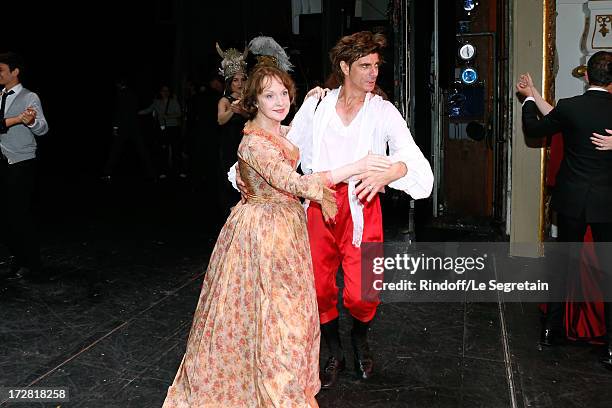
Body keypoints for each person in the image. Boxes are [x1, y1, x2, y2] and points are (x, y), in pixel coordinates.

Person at [162, 63, 391, 407]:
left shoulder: (276, 130)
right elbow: (297, 183)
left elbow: (297, 132)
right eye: (269, 95)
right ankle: (272, 384)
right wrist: (356, 166)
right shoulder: (254, 145)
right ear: (254, 100)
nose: (280, 100)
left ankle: (281, 376)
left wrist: (316, 101)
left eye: (284, 92)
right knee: (272, 315)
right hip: (261, 234)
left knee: (288, 312)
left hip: (286, 228)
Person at [232, 31, 434, 388]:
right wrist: (245, 173)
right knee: (320, 288)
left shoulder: (383, 111)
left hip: (362, 206)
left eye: (376, 66)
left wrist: (393, 170)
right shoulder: (318, 104)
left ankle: (360, 339)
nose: (373, 73)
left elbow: (415, 165)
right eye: (364, 66)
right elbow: (284, 147)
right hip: (316, 203)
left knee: (363, 291)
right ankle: (334, 350)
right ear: (344, 67)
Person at [518, 50, 612, 369]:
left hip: (571, 199)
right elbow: (557, 114)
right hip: (606, 203)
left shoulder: (572, 107)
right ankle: (611, 347)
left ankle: (550, 330)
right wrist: (536, 94)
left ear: (587, 77)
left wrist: (528, 102)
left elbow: (539, 127)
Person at [0, 52, 49, 282]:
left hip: (21, 162)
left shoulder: (30, 97)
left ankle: (32, 264)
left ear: (15, 71)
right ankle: (19, 258)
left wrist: (32, 122)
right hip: (2, 161)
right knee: (5, 217)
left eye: (1, 70)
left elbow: (43, 129)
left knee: (19, 215)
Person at [216, 43, 250, 212]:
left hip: (246, 144)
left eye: (242, 79)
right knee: (230, 178)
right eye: (235, 80)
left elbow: (255, 118)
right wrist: (232, 109)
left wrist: (243, 111)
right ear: (230, 82)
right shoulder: (224, 100)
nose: (239, 83)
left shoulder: (250, 99)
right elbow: (220, 120)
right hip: (229, 144)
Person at [102, 78, 156, 182]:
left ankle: (107, 173)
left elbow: (119, 112)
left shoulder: (120, 94)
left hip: (123, 127)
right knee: (142, 150)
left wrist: (115, 127)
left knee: (115, 150)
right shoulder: (133, 94)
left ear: (118, 85)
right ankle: (152, 174)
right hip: (134, 126)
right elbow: (135, 109)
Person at [139, 84, 184, 179]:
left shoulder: (173, 101)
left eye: (167, 90)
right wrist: (136, 112)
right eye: (163, 90)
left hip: (173, 127)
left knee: (176, 150)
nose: (165, 92)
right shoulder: (156, 102)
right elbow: (148, 110)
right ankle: (163, 171)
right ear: (160, 92)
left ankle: (179, 170)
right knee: (163, 150)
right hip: (162, 128)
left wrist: (168, 116)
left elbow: (179, 113)